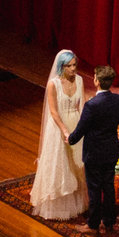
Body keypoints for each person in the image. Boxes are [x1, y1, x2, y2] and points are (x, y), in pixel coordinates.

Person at [66, 66, 119, 234]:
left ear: (97, 82)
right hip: (111, 150)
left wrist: (70, 139)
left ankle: (92, 224)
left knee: (94, 189)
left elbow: (82, 128)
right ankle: (108, 221)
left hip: (94, 153)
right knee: (108, 187)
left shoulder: (92, 105)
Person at [29, 49, 88, 221]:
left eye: (75, 65)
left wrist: (83, 127)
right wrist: (64, 130)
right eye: (69, 66)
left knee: (76, 163)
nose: (73, 69)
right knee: (60, 164)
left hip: (75, 123)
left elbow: (82, 105)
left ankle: (77, 202)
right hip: (59, 126)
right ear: (61, 67)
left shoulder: (80, 80)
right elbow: (54, 111)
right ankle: (58, 204)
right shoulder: (53, 84)